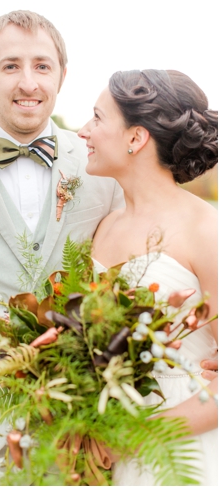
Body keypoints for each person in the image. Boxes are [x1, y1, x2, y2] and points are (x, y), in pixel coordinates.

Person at [0, 11, 218, 486]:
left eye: (42, 66)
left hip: (88, 431)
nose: (28, 82)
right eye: (10, 66)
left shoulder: (99, 171)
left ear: (62, 75)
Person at [79, 69, 217, 485]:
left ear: (136, 138)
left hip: (182, 450)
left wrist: (136, 436)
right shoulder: (104, 227)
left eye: (98, 118)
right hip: (107, 449)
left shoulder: (205, 230)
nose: (84, 131)